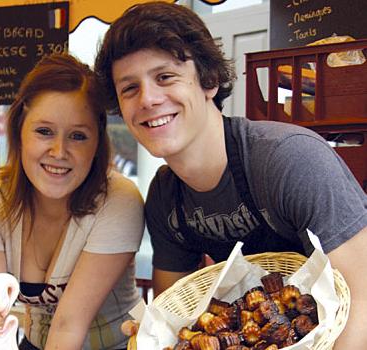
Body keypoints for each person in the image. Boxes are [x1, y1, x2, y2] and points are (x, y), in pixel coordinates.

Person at [94, 2, 367, 348]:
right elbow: (175, 318)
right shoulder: (165, 197)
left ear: (208, 81)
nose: (148, 99)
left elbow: (363, 301)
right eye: (129, 88)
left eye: (165, 77)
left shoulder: (288, 161)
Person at [0, 53, 145, 350]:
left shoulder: (119, 199)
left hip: (123, 344)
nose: (59, 151)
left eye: (78, 136)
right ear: (19, 131)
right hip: (36, 343)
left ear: (97, 143)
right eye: (44, 131)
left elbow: (68, 324)